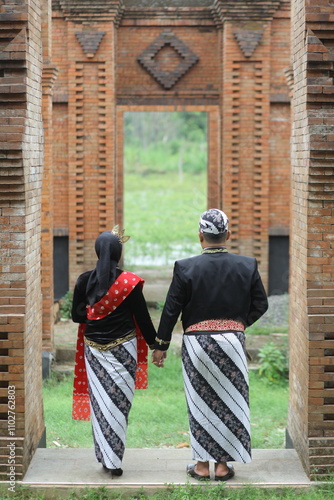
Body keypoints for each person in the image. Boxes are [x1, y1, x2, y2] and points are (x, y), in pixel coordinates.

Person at [152, 209, 268, 482]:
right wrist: (237, 325)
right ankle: (224, 467)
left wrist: (161, 345)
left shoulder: (185, 267)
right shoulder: (247, 264)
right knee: (230, 400)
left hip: (197, 344)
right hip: (232, 342)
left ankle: (202, 466)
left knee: (200, 403)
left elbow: (171, 310)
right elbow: (261, 304)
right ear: (228, 234)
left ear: (200, 236)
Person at [71, 227, 156, 477]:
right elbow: (142, 318)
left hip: (93, 351)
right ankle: (113, 459)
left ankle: (105, 457)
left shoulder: (83, 280)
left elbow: (76, 316)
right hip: (124, 350)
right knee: (118, 403)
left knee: (100, 403)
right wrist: (156, 345)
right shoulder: (129, 283)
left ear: (98, 251)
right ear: (118, 253)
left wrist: (92, 311)